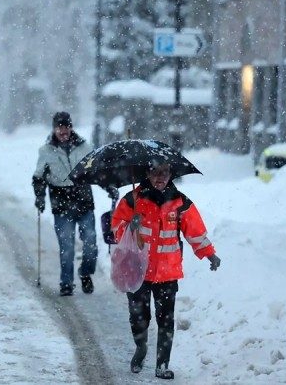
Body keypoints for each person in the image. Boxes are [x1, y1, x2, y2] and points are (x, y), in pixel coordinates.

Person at [111, 163, 220, 380]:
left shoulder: (180, 202)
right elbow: (116, 228)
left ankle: (162, 364)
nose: (160, 177)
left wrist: (209, 253)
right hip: (137, 270)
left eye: (165, 172)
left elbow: (195, 232)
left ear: (171, 175)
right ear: (148, 174)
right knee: (138, 317)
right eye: (155, 172)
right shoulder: (132, 199)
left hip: (167, 273)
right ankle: (141, 347)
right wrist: (129, 227)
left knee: (166, 320)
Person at [32, 111, 97, 297]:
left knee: (91, 242)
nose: (63, 131)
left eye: (66, 126)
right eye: (59, 127)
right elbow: (39, 177)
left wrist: (109, 187)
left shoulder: (85, 147)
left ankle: (85, 272)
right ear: (54, 129)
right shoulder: (46, 151)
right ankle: (66, 282)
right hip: (61, 204)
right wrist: (40, 197)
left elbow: (96, 171)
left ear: (71, 127)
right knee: (67, 247)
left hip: (84, 201)